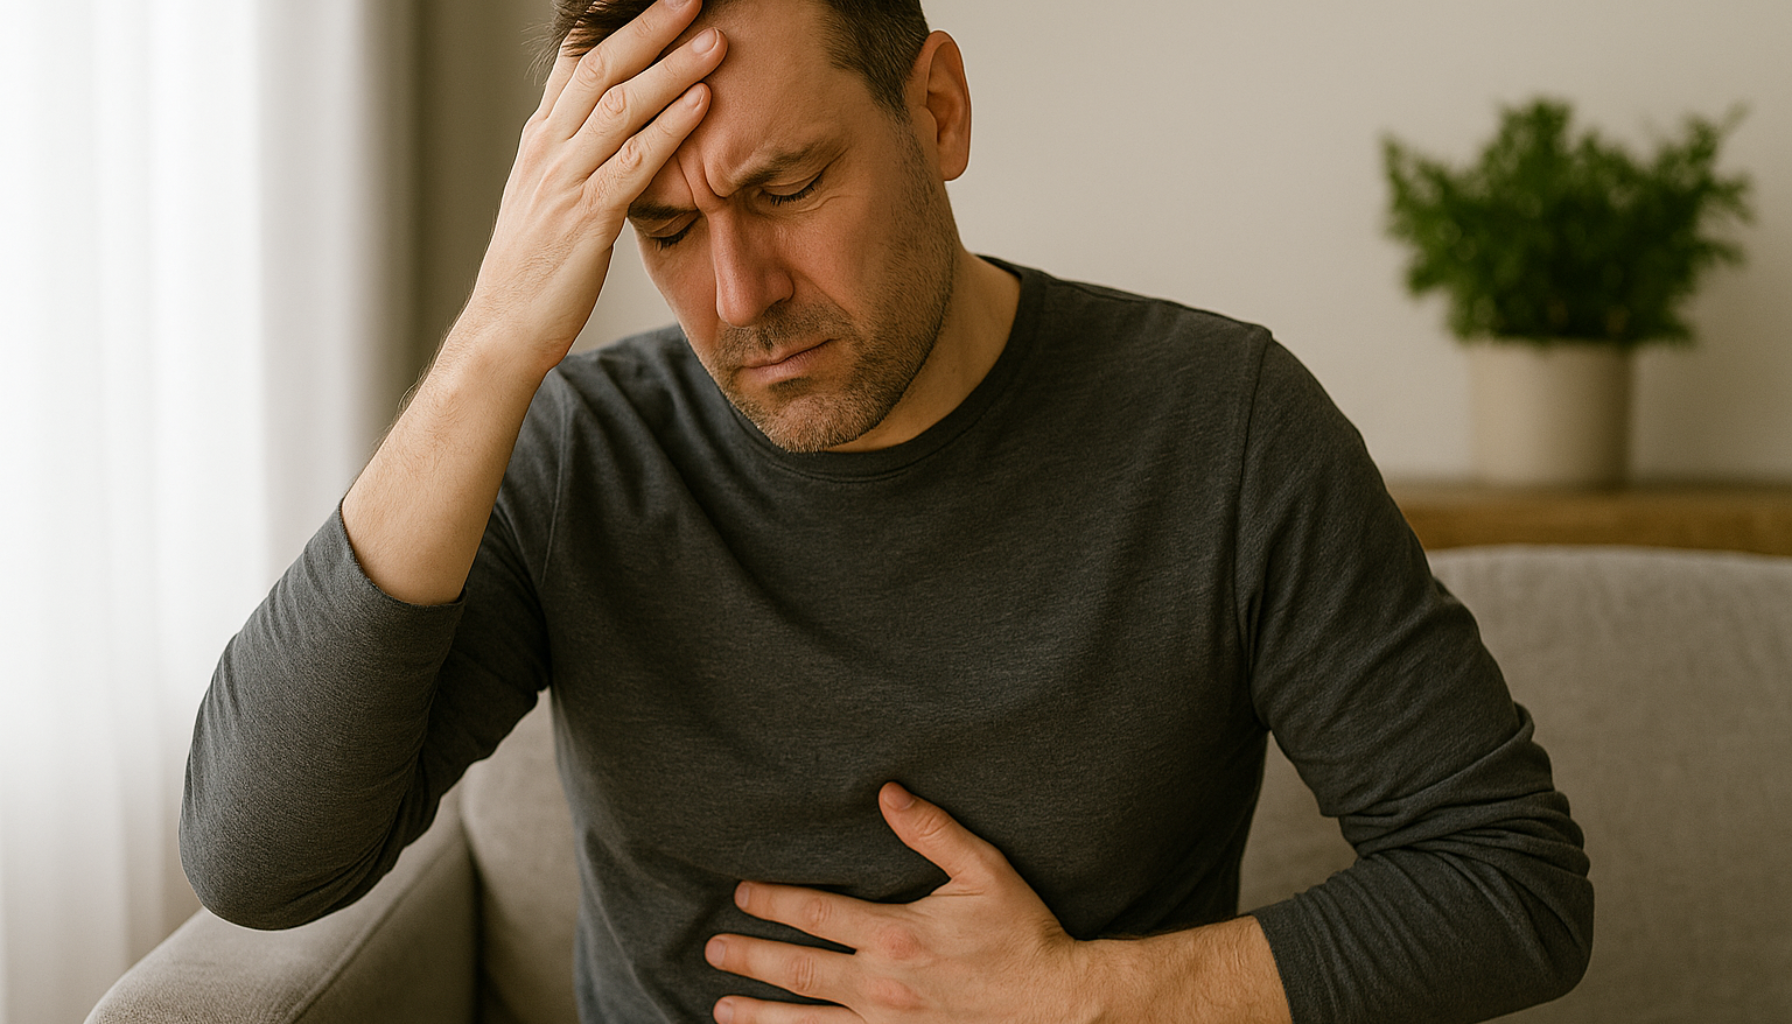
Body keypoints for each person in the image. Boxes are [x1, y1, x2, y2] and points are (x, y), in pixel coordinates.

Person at [180, 0, 1593, 1021]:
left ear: (938, 109)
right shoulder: (578, 458)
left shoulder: (1218, 424)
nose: (739, 301)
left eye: (784, 188)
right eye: (662, 232)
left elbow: (1509, 885)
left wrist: (1088, 1003)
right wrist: (494, 340)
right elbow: (262, 864)